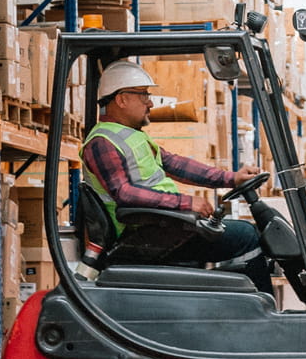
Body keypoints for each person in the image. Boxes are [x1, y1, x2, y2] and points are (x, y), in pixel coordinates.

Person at [81, 59, 274, 296]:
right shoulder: (102, 142)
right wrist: (186, 203)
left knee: (244, 234)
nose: (150, 102)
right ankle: (262, 309)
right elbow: (124, 193)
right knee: (246, 236)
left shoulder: (132, 137)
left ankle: (237, 305)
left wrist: (232, 178)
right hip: (144, 234)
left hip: (162, 225)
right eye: (143, 95)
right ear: (121, 99)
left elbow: (177, 165)